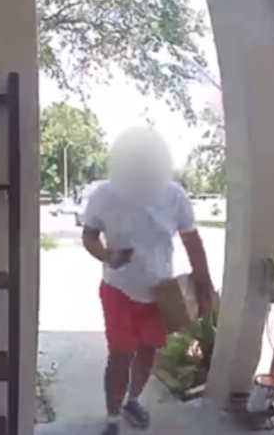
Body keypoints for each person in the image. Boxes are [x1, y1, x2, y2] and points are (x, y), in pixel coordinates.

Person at [80, 127, 216, 435]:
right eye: (135, 161)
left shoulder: (174, 195)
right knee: (119, 356)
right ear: (122, 162)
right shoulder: (104, 195)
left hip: (161, 294)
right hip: (118, 291)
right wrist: (106, 255)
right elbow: (88, 236)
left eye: (149, 161)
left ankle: (134, 401)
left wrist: (204, 282)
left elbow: (191, 239)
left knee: (148, 351)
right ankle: (113, 417)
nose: (143, 168)